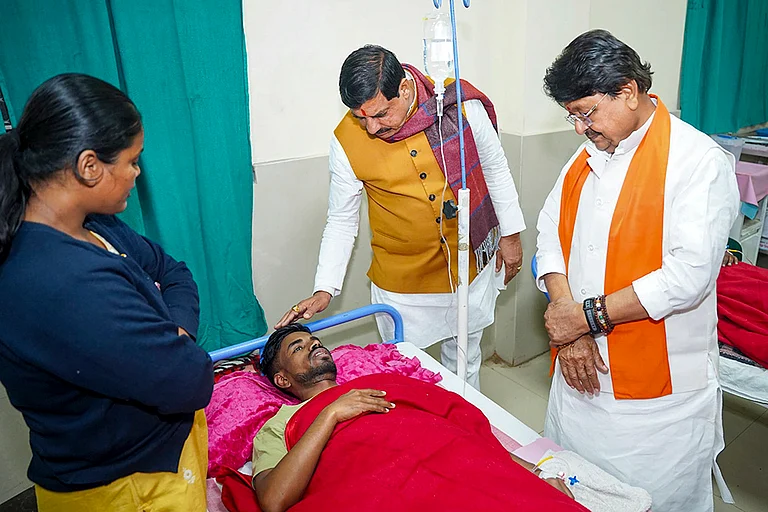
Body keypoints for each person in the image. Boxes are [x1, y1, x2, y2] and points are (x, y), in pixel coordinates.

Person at [534, 30, 740, 511]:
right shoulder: (587, 156)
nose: (580, 128)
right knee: (570, 489)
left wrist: (584, 317)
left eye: (586, 112)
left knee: (652, 500)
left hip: (656, 404)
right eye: (572, 116)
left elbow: (686, 277)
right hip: (578, 375)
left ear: (628, 91)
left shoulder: (697, 162)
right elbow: (550, 234)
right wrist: (569, 320)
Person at [0, 74, 214, 511]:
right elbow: (190, 381)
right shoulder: (58, 281)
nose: (137, 173)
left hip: (159, 460)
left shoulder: (94, 226)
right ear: (89, 166)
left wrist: (171, 336)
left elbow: (174, 272)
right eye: (132, 161)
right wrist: (177, 349)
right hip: (125, 489)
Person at [277, 45, 526, 389]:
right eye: (361, 117)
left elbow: (495, 169)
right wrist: (325, 288)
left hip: (468, 267)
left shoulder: (459, 107)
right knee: (407, 377)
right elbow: (341, 220)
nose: (371, 128)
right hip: (403, 288)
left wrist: (510, 236)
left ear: (405, 89)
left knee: (465, 364)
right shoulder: (345, 142)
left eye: (380, 114)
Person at [249, 323, 583, 512]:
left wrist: (533, 474)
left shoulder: (382, 383)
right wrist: (330, 414)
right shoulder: (280, 425)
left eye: (314, 340)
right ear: (282, 379)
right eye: (298, 347)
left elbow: (462, 430)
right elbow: (274, 499)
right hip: (382, 490)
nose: (313, 345)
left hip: (460, 466)